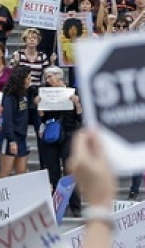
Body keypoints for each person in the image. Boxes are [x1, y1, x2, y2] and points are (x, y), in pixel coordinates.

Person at [36, 67, 83, 215]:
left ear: (59, 77)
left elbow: (80, 117)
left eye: (50, 77)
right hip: (51, 133)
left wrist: (76, 103)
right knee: (53, 171)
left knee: (70, 170)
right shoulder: (46, 93)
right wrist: (39, 105)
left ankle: (75, 206)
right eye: (47, 77)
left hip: (68, 133)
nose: (48, 80)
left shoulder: (72, 91)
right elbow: (42, 117)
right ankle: (57, 205)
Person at [0, 65, 31, 178]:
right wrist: (11, 140)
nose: (30, 81)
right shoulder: (10, 96)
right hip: (10, 137)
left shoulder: (24, 94)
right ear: (21, 79)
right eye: (28, 78)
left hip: (21, 137)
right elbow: (8, 119)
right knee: (5, 173)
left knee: (21, 173)